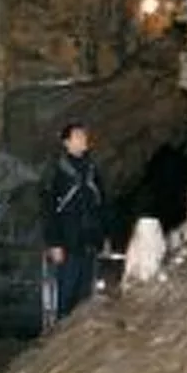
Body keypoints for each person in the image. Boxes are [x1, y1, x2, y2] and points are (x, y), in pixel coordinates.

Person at [43, 121, 108, 320]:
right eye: (78, 136)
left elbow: (102, 205)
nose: (84, 139)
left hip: (89, 241)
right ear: (66, 142)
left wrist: (104, 237)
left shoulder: (92, 170)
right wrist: (54, 243)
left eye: (84, 136)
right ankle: (60, 336)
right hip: (68, 242)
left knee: (86, 294)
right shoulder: (55, 171)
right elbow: (48, 210)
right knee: (66, 293)